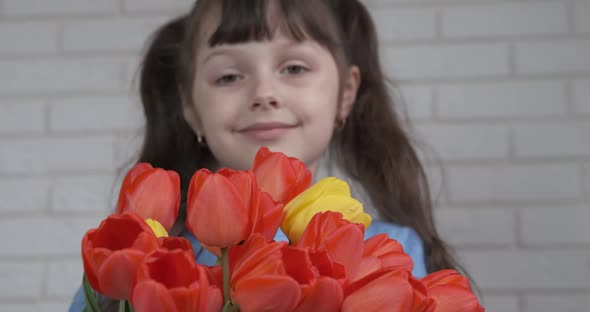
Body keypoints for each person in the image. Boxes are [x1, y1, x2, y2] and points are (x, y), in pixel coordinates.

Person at [69, 0, 462, 310]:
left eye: (293, 68)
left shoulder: (394, 253)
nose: (263, 93)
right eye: (228, 76)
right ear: (190, 105)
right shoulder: (143, 256)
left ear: (345, 93)